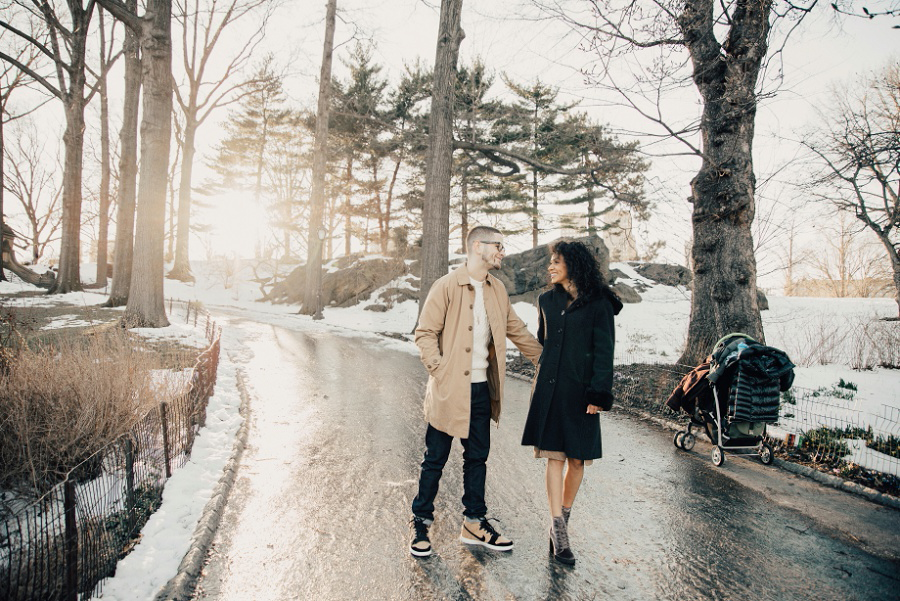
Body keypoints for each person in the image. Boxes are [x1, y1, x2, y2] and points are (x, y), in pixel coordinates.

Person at [410, 225, 543, 558]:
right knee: (435, 459)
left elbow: (517, 330)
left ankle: (474, 522)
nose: (502, 251)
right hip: (448, 390)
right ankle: (421, 521)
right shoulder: (447, 286)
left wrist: (549, 360)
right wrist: (440, 370)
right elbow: (424, 333)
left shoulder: (497, 290)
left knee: (477, 459)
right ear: (477, 247)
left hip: (482, 390)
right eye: (498, 245)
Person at [521, 239, 622, 566]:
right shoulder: (546, 300)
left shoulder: (599, 304)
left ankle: (563, 516)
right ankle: (558, 527)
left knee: (576, 460)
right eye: (550, 261)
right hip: (551, 390)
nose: (550, 266)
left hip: (582, 393)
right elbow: (543, 342)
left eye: (556, 261)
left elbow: (605, 352)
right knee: (554, 457)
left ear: (573, 265)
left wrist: (598, 393)